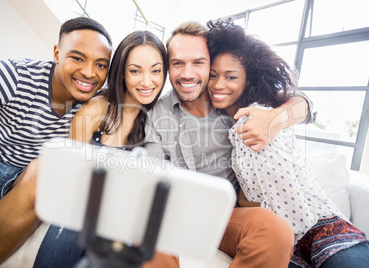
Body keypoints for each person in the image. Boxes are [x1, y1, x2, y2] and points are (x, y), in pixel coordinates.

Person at [144, 20, 316, 267]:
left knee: (274, 229)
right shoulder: (155, 113)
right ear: (168, 66)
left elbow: (305, 103)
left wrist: (275, 119)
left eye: (198, 63)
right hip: (174, 215)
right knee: (146, 232)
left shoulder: (233, 102)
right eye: (177, 63)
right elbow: (151, 176)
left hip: (224, 218)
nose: (187, 73)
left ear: (209, 63)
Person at [206, 18, 369, 268]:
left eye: (231, 76)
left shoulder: (265, 111)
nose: (218, 84)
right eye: (213, 75)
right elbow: (252, 192)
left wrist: (275, 119)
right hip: (279, 237)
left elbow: (304, 104)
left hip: (322, 225)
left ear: (247, 80)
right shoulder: (218, 123)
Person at [0, 17, 113, 267]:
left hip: (27, 183)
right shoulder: (13, 75)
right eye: (77, 58)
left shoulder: (96, 107)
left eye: (101, 65)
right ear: (57, 53)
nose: (89, 73)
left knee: (46, 170)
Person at [33, 30, 179, 268]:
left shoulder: (156, 120)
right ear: (121, 72)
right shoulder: (97, 110)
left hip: (121, 214)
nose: (146, 81)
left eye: (156, 71)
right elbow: (70, 177)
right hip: (80, 204)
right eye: (135, 71)